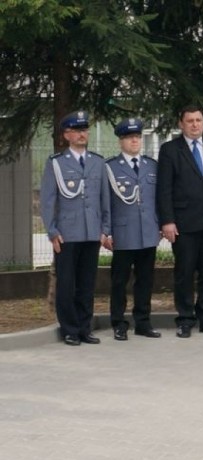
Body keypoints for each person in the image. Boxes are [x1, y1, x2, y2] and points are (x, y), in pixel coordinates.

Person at [39, 110, 110, 346]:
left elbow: (104, 199)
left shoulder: (98, 162)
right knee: (67, 284)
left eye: (84, 130)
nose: (82, 134)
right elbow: (48, 200)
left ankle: (84, 327)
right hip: (67, 234)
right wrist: (51, 230)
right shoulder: (56, 164)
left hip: (91, 232)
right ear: (67, 135)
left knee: (87, 284)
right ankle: (69, 329)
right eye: (77, 131)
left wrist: (105, 228)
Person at [156, 104, 203, 338]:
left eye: (198, 120)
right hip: (183, 223)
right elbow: (163, 189)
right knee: (184, 273)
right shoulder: (170, 150)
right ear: (181, 124)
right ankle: (185, 319)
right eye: (190, 121)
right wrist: (167, 221)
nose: (195, 124)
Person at [104, 118, 163, 340]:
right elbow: (106, 203)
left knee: (145, 280)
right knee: (119, 281)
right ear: (121, 141)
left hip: (147, 233)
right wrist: (106, 231)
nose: (135, 141)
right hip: (123, 233)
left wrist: (158, 223)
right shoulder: (110, 168)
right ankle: (119, 322)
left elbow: (157, 199)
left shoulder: (151, 166)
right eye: (130, 137)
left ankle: (143, 322)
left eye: (137, 136)